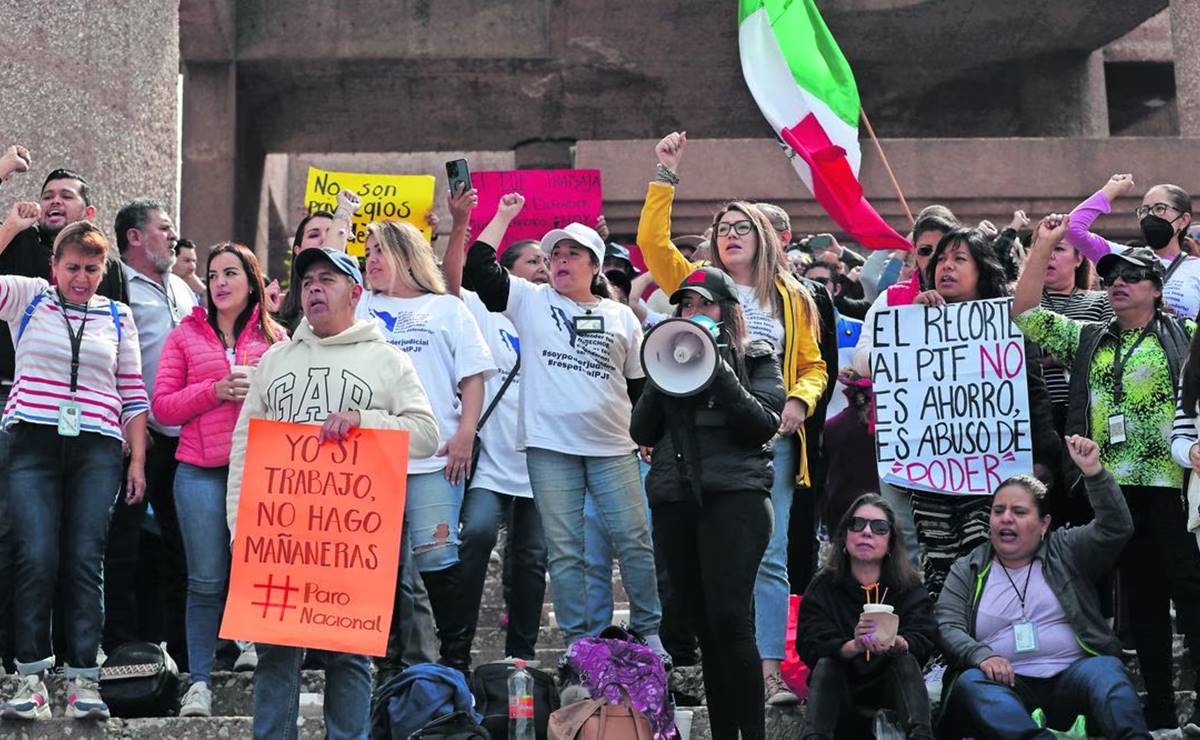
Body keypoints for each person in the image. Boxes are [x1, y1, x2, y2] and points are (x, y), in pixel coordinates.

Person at [638, 132, 827, 703]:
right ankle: (712, 659)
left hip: (767, 439)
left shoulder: (795, 296)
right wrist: (665, 175)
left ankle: (767, 671)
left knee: (769, 560)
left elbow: (814, 364)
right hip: (697, 448)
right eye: (723, 228)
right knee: (702, 565)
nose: (730, 235)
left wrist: (799, 400)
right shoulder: (693, 285)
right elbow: (651, 241)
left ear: (765, 238)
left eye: (742, 227)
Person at [227, 246, 439, 740]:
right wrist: (239, 526)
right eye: (308, 281)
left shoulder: (388, 360)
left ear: (356, 293)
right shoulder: (276, 359)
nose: (315, 288)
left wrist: (365, 422)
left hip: (350, 539)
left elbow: (427, 435)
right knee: (276, 655)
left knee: (350, 657)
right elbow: (245, 446)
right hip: (278, 535)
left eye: (328, 278)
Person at [1014, 215, 1200, 730]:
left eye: (1132, 276)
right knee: (1142, 600)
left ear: (1158, 290)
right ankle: (1161, 708)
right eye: (1112, 275)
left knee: (1191, 592)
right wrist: (1045, 245)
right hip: (1113, 493)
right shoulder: (1090, 339)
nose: (1118, 282)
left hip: (1174, 488)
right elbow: (1026, 311)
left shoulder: (1187, 335)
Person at [462, 206, 666, 658]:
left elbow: (638, 386)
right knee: (565, 550)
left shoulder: (621, 316)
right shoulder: (530, 300)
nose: (560, 260)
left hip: (614, 447)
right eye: (555, 253)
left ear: (594, 266)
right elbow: (478, 266)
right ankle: (577, 643)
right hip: (550, 448)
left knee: (634, 540)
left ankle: (649, 631)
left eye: (573, 253)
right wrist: (502, 216)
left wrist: (648, 434)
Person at [0, 221, 148, 721]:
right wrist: (14, 226)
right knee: (36, 555)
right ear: (54, 267)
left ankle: (84, 681)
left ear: (103, 270)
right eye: (72, 268)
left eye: (91, 268)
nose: (81, 278)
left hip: (98, 447)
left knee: (85, 559)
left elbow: (132, 391)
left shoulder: (117, 314)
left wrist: (140, 459)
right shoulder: (30, 297)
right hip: (32, 442)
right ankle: (31, 678)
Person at [862, 227, 1061, 598]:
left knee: (986, 561)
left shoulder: (1007, 324)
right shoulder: (912, 319)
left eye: (959, 259)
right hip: (931, 480)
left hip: (994, 475)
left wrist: (1043, 459)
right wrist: (915, 322)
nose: (946, 268)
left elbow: (1032, 393)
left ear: (981, 270)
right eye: (940, 260)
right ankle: (949, 649)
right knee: (939, 566)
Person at [630, 266, 784, 739]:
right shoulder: (666, 359)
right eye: (686, 306)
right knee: (704, 629)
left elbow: (762, 422)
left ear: (727, 311)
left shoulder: (756, 355)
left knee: (730, 619)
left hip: (736, 499)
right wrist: (665, 370)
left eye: (704, 305)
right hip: (677, 501)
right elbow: (641, 430)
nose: (694, 314)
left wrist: (715, 369)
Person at [937, 436, 1153, 739]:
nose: (1006, 519)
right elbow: (947, 625)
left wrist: (1094, 473)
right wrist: (981, 655)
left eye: (1020, 512)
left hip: (1073, 676)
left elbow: (1116, 528)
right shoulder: (968, 567)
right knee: (971, 684)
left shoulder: (1066, 549)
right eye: (998, 511)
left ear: (1044, 523)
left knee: (1108, 672)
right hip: (1007, 688)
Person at [151, 242, 286, 716]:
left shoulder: (277, 340)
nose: (221, 283)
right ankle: (201, 683)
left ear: (251, 280)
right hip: (199, 472)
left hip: (259, 473)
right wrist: (214, 391)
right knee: (205, 581)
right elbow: (162, 406)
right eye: (213, 275)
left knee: (257, 572)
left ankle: (257, 654)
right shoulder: (185, 334)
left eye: (231, 273)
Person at [356, 218, 495, 673]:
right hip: (372, 458)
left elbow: (472, 376)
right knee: (376, 568)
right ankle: (388, 668)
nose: (371, 260)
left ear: (405, 254)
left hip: (433, 459)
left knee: (437, 559)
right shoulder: (361, 308)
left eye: (379, 250)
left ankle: (456, 662)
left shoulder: (448, 309)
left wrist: (465, 435)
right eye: (368, 252)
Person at [442, 188, 548, 664]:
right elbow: (457, 273)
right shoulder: (484, 311)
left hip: (543, 462)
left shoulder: (558, 313)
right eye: (532, 261)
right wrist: (501, 215)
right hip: (492, 461)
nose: (544, 267)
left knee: (531, 560)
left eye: (548, 260)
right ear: (508, 273)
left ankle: (521, 658)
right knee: (478, 535)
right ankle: (457, 651)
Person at [103, 198, 198, 666]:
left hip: (188, 439)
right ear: (135, 237)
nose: (173, 236)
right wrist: (126, 422)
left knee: (185, 551)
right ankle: (120, 648)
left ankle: (185, 650)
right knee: (122, 546)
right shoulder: (113, 283)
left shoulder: (183, 288)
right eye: (164, 228)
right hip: (138, 436)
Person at [797, 494, 935, 739]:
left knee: (905, 661)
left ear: (891, 540)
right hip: (842, 696)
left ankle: (921, 736)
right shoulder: (823, 586)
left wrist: (897, 642)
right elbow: (809, 643)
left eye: (879, 527)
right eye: (857, 524)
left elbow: (925, 636)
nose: (867, 533)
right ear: (844, 535)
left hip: (892, 695)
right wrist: (852, 646)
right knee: (827, 664)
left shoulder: (908, 586)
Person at [1065, 174, 1200, 320]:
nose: (1149, 216)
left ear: (1183, 220)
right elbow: (1071, 228)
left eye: (1160, 208)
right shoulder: (1123, 256)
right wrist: (1110, 190)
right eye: (1144, 210)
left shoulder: (1196, 268)